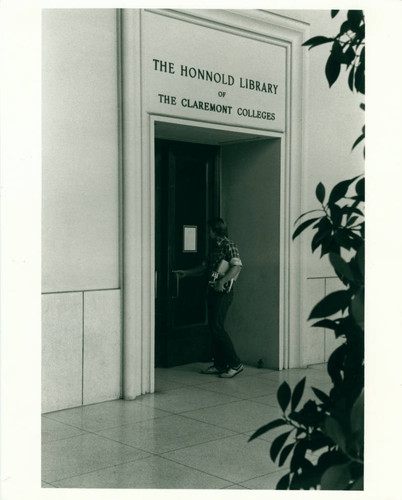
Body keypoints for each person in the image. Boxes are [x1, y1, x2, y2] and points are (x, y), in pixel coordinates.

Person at [174, 217, 243, 378]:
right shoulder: (214, 248)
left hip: (223, 292)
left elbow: (237, 266)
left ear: (215, 230)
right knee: (213, 328)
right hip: (212, 291)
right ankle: (220, 364)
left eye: (209, 230)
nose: (207, 233)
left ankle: (235, 363)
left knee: (217, 328)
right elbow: (203, 268)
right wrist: (186, 273)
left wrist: (222, 282)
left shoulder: (229, 245)